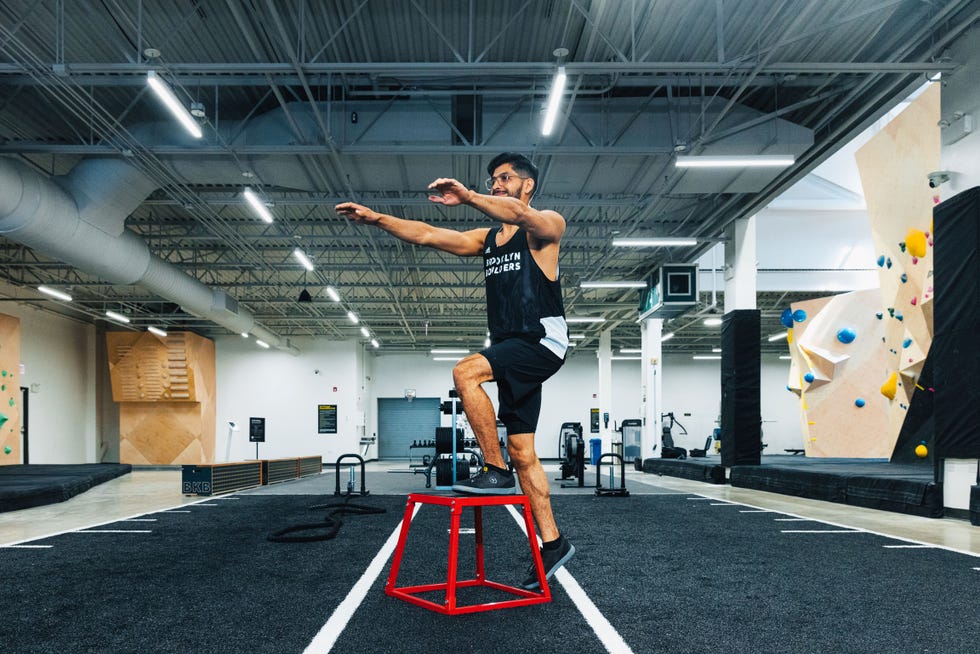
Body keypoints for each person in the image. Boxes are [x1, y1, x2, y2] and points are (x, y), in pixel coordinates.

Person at [335, 152, 573, 589]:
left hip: (541, 340)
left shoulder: (546, 227)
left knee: (465, 372)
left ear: (527, 186)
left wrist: (469, 196)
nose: (497, 184)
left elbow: (519, 214)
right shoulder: (487, 239)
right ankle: (554, 543)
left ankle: (494, 471)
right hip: (510, 346)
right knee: (524, 451)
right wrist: (376, 219)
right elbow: (427, 234)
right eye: (493, 179)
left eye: (505, 179)